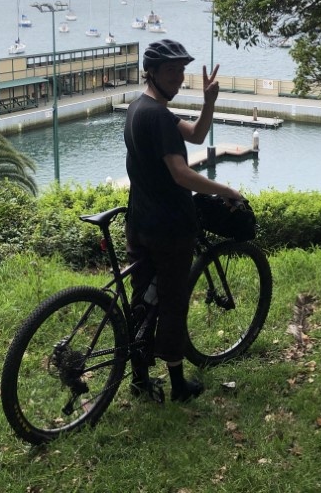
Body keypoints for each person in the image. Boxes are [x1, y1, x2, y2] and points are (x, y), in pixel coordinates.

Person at [124, 39, 244, 403]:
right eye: (172, 71)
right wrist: (226, 190)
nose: (179, 78)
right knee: (173, 304)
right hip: (168, 226)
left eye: (182, 70)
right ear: (153, 73)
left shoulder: (139, 107)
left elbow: (196, 134)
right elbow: (180, 173)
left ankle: (140, 379)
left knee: (145, 299)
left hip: (140, 221)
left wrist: (208, 103)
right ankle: (177, 385)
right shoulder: (158, 115)